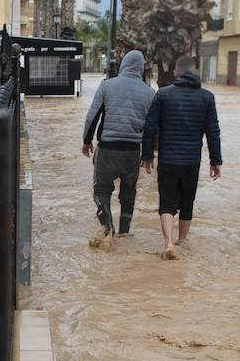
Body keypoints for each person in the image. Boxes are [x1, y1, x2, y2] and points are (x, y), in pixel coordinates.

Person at [141, 55, 222, 259]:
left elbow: (151, 127)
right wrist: (216, 161)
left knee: (167, 202)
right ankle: (182, 241)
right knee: (187, 202)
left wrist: (147, 155)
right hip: (191, 160)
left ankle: (168, 242)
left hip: (168, 159)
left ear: (176, 71)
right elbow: (213, 131)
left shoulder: (163, 95)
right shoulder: (207, 97)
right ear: (194, 71)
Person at [82, 49, 156, 245]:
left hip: (107, 149)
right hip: (133, 151)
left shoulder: (107, 85)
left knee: (101, 191)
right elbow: (152, 128)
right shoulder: (150, 93)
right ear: (141, 69)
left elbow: (93, 115)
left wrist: (86, 141)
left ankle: (108, 229)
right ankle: (124, 232)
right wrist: (147, 154)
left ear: (123, 64)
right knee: (128, 193)